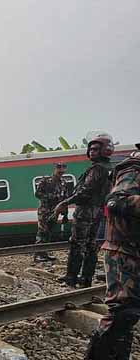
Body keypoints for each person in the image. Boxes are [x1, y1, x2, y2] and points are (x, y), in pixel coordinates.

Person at [84, 143, 140, 359]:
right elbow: (117, 201)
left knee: (128, 315)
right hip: (124, 251)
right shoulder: (133, 168)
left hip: (133, 249)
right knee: (122, 313)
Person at [55, 133, 114, 287]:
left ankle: (71, 278)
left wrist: (65, 202)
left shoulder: (97, 168)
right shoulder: (109, 168)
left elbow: (85, 191)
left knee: (77, 243)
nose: (92, 152)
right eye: (91, 149)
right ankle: (86, 278)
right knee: (91, 245)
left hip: (86, 210)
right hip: (98, 210)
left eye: (95, 149)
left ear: (104, 150)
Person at [33, 162, 70, 262]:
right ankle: (38, 255)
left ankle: (45, 253)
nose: (61, 170)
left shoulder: (64, 182)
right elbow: (38, 194)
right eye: (59, 168)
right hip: (45, 211)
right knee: (42, 232)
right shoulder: (45, 180)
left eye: (63, 168)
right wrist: (51, 198)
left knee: (49, 233)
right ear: (54, 169)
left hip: (56, 212)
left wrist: (65, 214)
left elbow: (65, 199)